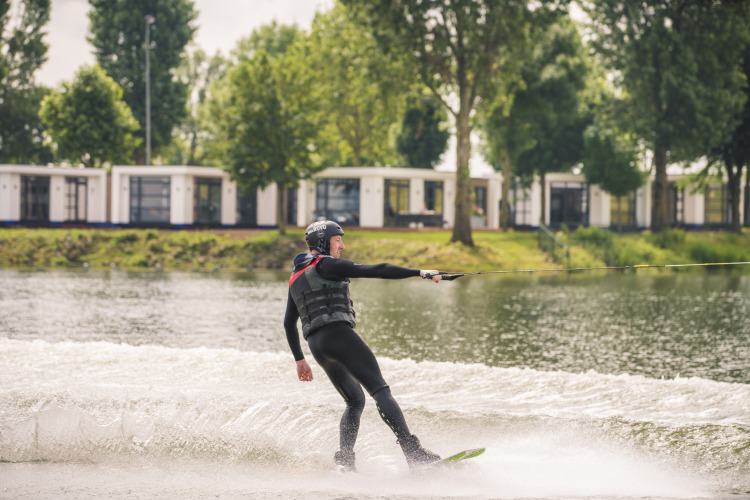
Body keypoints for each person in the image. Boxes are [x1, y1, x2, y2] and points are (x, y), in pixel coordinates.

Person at [283, 220, 442, 471]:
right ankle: (412, 452)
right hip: (338, 335)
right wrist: (419, 272)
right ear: (324, 242)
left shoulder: (295, 276)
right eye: (338, 240)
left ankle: (345, 461)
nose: (342, 246)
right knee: (380, 390)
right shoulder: (327, 264)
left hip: (318, 347)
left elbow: (288, 322)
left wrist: (299, 359)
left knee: (355, 402)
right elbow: (378, 269)